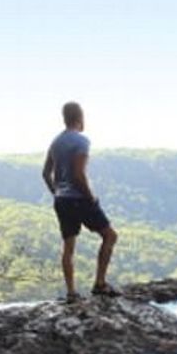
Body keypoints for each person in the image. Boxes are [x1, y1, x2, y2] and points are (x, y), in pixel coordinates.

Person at [42, 101, 119, 302]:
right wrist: (90, 196)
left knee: (68, 247)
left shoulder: (55, 142)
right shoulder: (81, 141)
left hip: (62, 200)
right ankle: (100, 284)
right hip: (79, 198)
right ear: (80, 117)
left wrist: (57, 192)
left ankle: (71, 293)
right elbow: (79, 174)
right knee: (110, 236)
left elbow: (45, 173)